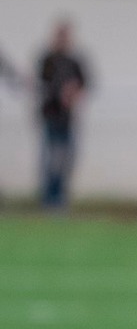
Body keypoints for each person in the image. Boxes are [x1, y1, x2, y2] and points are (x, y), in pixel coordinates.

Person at [37, 20, 90, 210]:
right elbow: (42, 85)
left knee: (66, 160)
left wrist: (74, 92)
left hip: (68, 119)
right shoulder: (48, 59)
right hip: (51, 117)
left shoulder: (74, 61)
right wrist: (60, 92)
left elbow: (85, 83)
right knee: (50, 160)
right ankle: (48, 200)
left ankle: (60, 199)